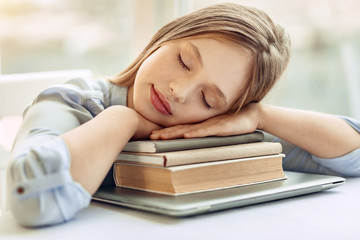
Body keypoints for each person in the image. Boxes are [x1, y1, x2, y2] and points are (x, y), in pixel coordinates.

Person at [6, 3, 360, 227]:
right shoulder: (75, 101)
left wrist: (261, 116)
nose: (179, 91)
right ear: (164, 38)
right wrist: (122, 120)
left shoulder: (206, 130)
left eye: (208, 98)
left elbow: (353, 154)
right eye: (184, 61)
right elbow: (32, 200)